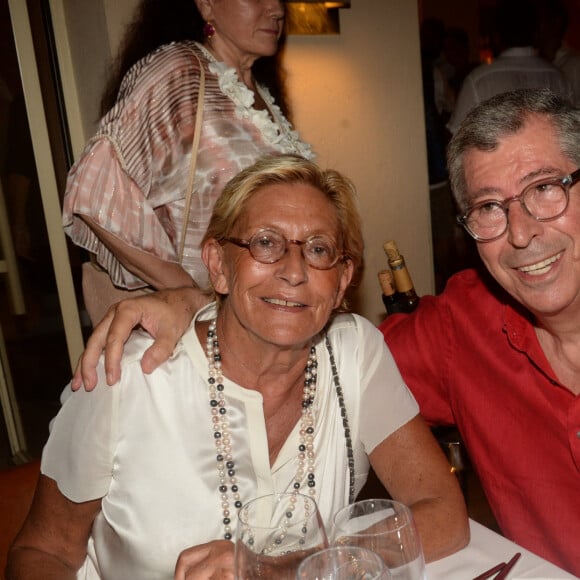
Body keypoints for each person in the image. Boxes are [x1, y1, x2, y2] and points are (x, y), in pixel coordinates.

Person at [71, 90, 580, 576]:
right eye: (490, 207)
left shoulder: (390, 342)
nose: (520, 232)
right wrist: (204, 298)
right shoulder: (459, 326)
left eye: (544, 188)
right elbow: (285, 323)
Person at [7, 154, 469, 579]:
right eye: (265, 243)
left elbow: (443, 514)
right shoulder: (127, 378)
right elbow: (41, 553)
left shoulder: (355, 352)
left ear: (342, 280)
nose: (294, 270)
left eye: (319, 249)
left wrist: (282, 570)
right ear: (219, 266)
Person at [62, 0, 312, 322]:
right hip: (208, 334)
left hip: (268, 319)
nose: (276, 10)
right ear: (206, 5)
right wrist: (191, 295)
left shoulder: (260, 92)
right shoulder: (180, 71)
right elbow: (94, 188)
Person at [447, 0, 571, 134]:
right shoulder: (558, 77)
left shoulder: (478, 80)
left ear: (497, 36)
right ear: (535, 32)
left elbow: (457, 135)